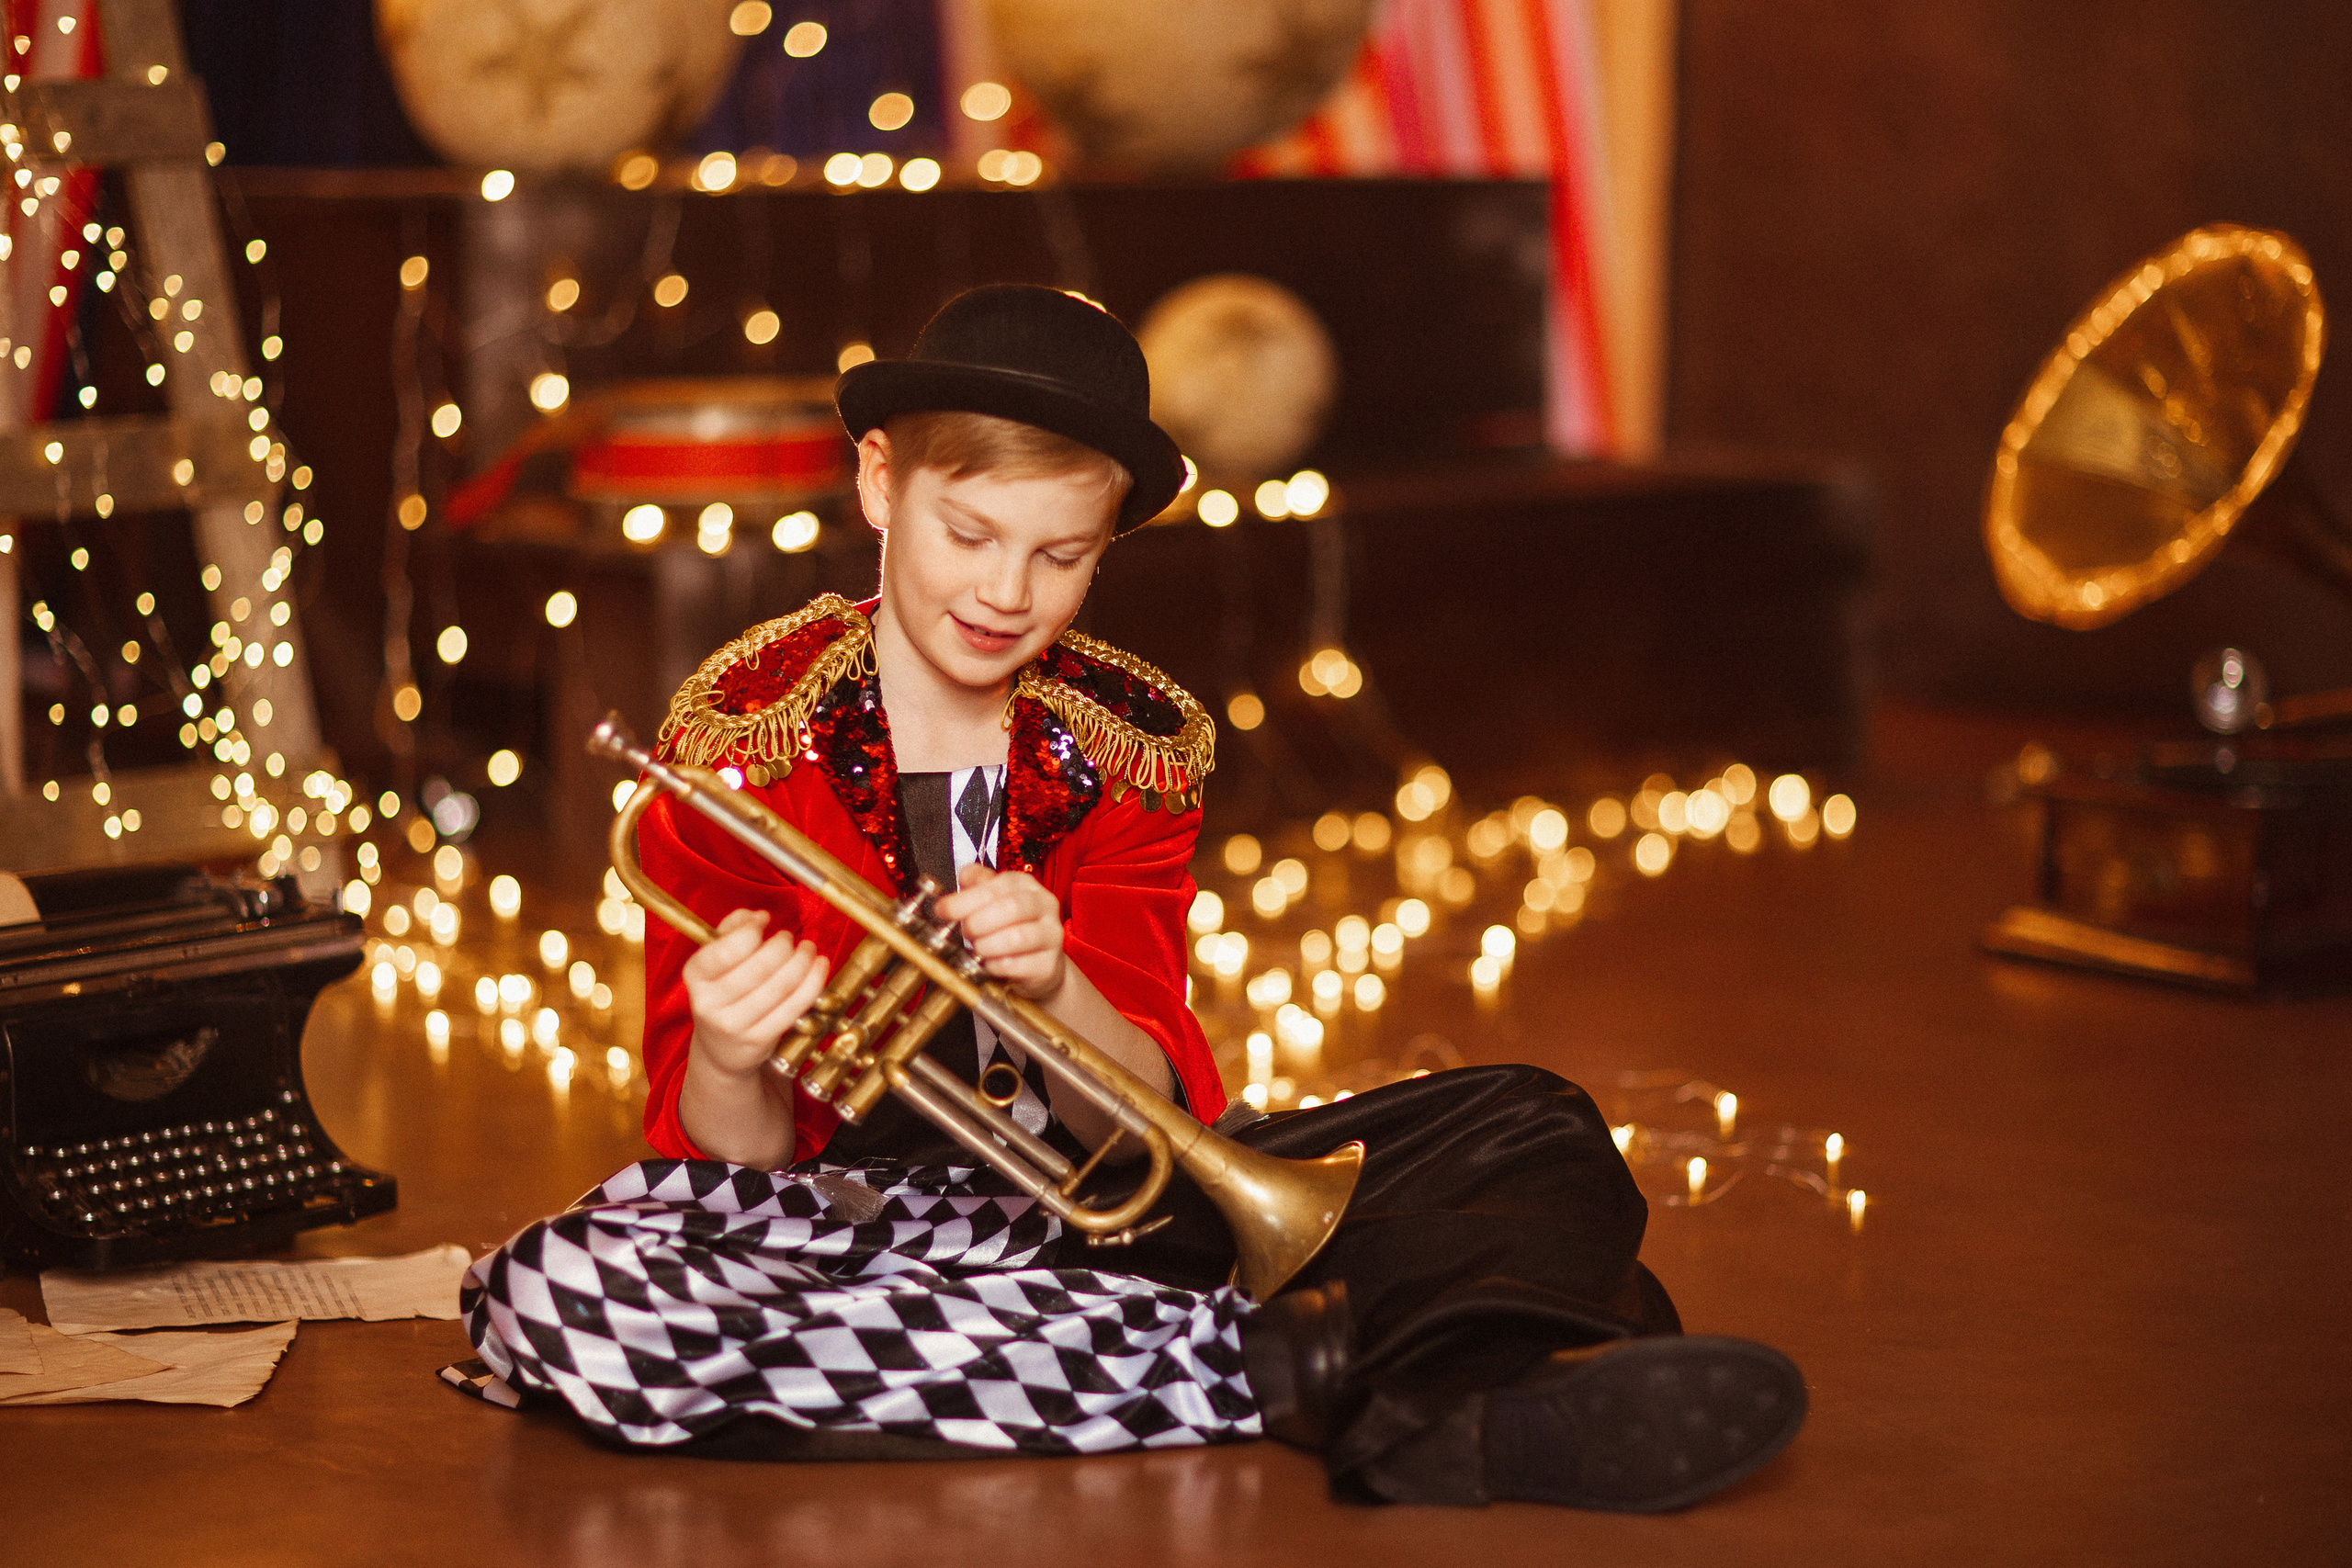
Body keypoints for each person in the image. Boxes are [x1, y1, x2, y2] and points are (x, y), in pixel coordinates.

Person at [448, 284, 1806, 1511]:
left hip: (1107, 1215)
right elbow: (716, 1168)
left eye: (1061, 554)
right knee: (565, 1297)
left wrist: (1060, 990)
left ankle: (1235, 1357)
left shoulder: (1124, 743)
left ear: (1105, 546)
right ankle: (1349, 1376)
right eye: (968, 533)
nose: (1003, 593)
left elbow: (1159, 1112)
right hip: (836, 1229)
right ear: (878, 485)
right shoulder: (743, 735)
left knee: (1536, 1130)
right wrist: (739, 1056)